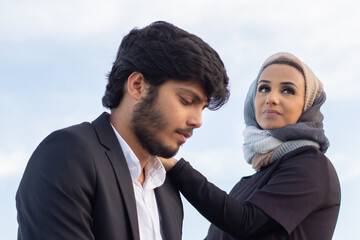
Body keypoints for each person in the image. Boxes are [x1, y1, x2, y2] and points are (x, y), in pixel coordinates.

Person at [16, 21, 230, 240]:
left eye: (202, 108)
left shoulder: (167, 192)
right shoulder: (66, 155)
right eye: (186, 100)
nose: (198, 121)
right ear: (137, 86)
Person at [160, 52, 341, 239]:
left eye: (287, 90)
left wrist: (176, 168)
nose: (271, 98)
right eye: (263, 88)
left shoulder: (312, 166)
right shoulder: (246, 184)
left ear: (308, 106)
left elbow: (247, 223)